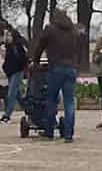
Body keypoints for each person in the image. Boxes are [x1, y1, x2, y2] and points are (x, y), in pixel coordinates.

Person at [30, 8, 84, 142]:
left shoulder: (50, 29)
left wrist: (35, 60)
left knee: (51, 99)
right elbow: (79, 48)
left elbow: (40, 46)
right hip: (71, 68)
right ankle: (68, 134)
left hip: (55, 67)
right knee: (69, 102)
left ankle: (49, 131)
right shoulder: (74, 31)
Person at [1, 28, 28, 124]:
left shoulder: (18, 46)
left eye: (9, 36)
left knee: (11, 94)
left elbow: (24, 59)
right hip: (10, 72)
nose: (8, 38)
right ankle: (28, 110)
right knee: (17, 95)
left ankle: (7, 115)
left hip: (17, 72)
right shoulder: (8, 46)